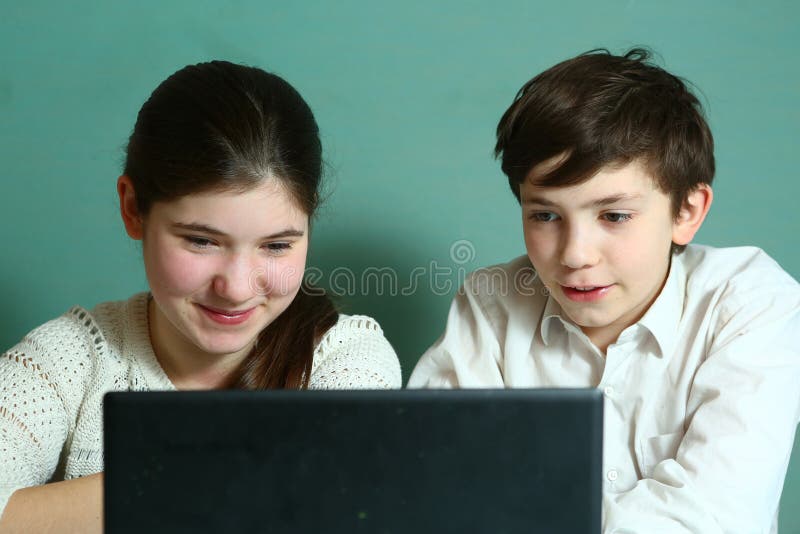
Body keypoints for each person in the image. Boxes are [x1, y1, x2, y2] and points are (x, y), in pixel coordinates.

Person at [0, 60, 402, 532]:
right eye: (201, 240)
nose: (234, 287)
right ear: (133, 209)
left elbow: (336, 498)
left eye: (276, 246)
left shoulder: (348, 358)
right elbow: (289, 486)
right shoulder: (68, 359)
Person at [409, 48, 800, 532]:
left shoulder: (750, 303)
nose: (575, 254)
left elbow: (715, 518)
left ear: (687, 212)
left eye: (614, 216)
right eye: (545, 215)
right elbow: (433, 491)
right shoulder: (492, 304)